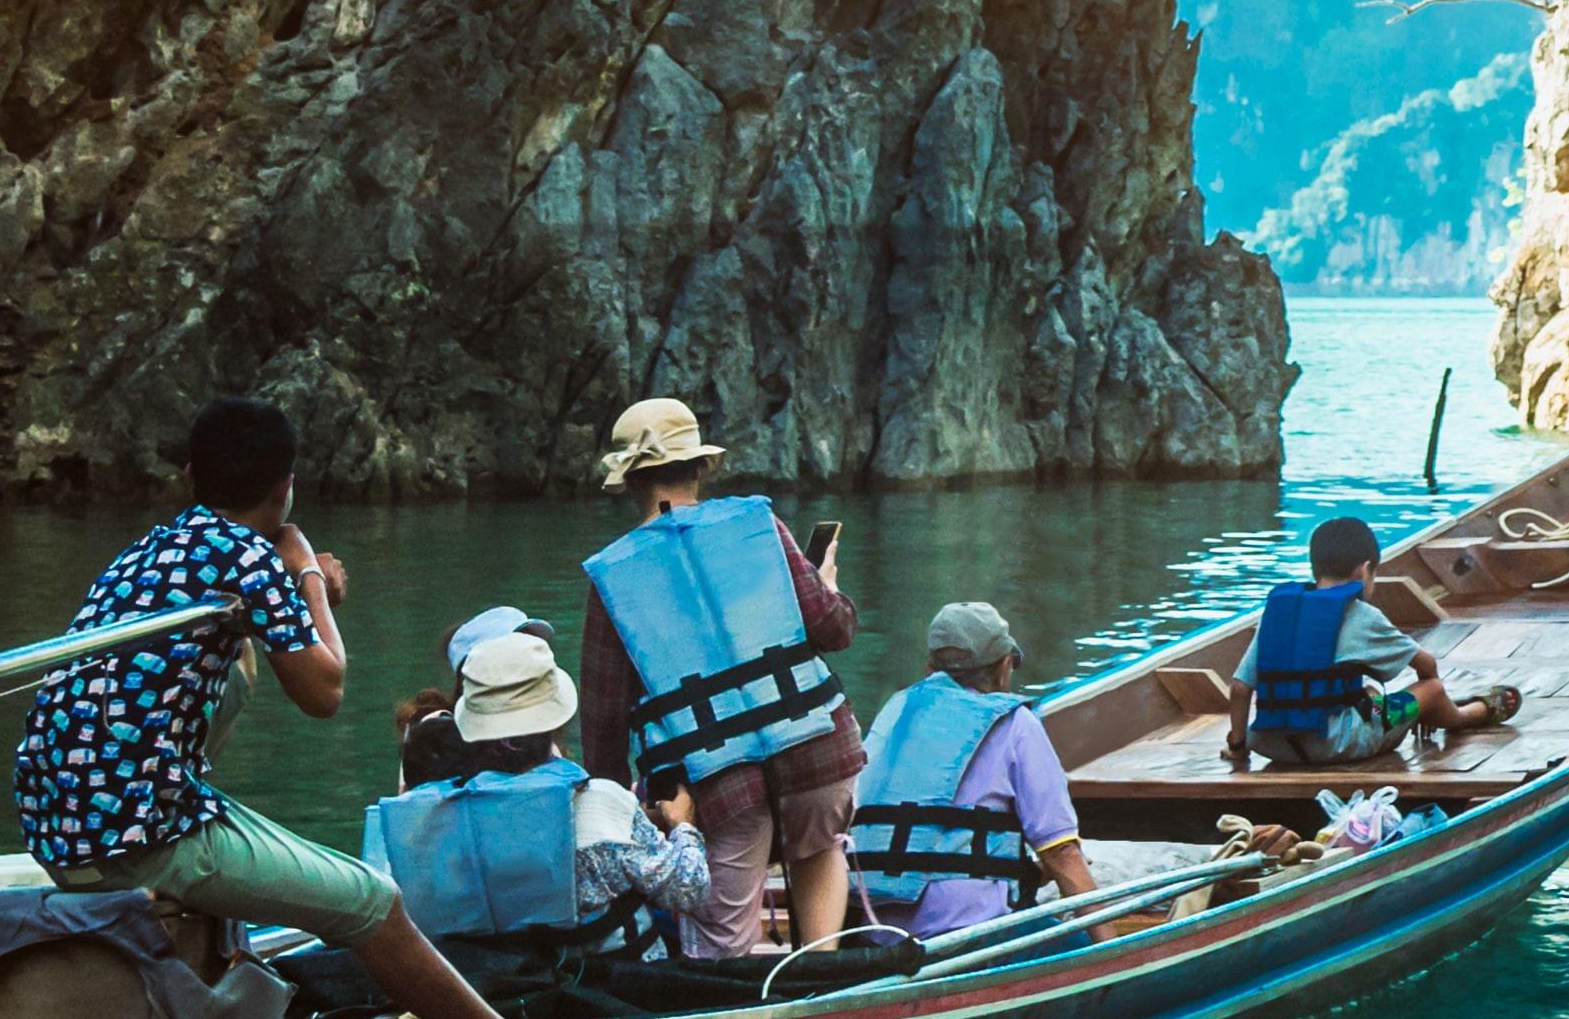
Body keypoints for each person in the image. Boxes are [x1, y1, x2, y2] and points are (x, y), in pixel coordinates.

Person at [4, 396, 503, 1019]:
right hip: (141, 838)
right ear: (285, 486)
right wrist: (309, 579)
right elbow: (325, 693)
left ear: (189, 478)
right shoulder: (252, 560)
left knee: (238, 657)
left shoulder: (146, 553)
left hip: (55, 825)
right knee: (372, 903)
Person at [576, 396, 856, 959]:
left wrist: (613, 805)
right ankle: (823, 977)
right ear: (701, 467)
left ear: (629, 480)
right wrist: (827, 588)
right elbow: (833, 629)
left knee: (722, 939)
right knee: (818, 846)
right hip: (821, 750)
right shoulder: (761, 524)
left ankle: (728, 1018)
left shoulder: (613, 577)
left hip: (716, 780)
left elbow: (604, 716)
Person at [365, 614, 706, 978]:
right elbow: (688, 890)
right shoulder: (604, 804)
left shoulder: (431, 817)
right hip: (614, 981)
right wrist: (682, 825)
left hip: (496, 989)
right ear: (555, 720)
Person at [846, 603, 1100, 943]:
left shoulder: (896, 713)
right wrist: (1113, 949)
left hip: (877, 935)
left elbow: (934, 845)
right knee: (1077, 944)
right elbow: (1061, 853)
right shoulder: (1015, 724)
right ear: (1005, 666)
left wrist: (1029, 875)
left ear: (929, 668)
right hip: (966, 938)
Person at [1238, 516, 1443, 768]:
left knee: (1369, 693)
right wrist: (1426, 707)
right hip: (1337, 745)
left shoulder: (1279, 613)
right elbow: (1427, 665)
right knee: (1432, 689)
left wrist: (1237, 746)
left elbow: (1240, 687)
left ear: (1315, 569)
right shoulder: (1363, 615)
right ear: (1365, 570)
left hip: (1272, 746)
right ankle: (1465, 716)